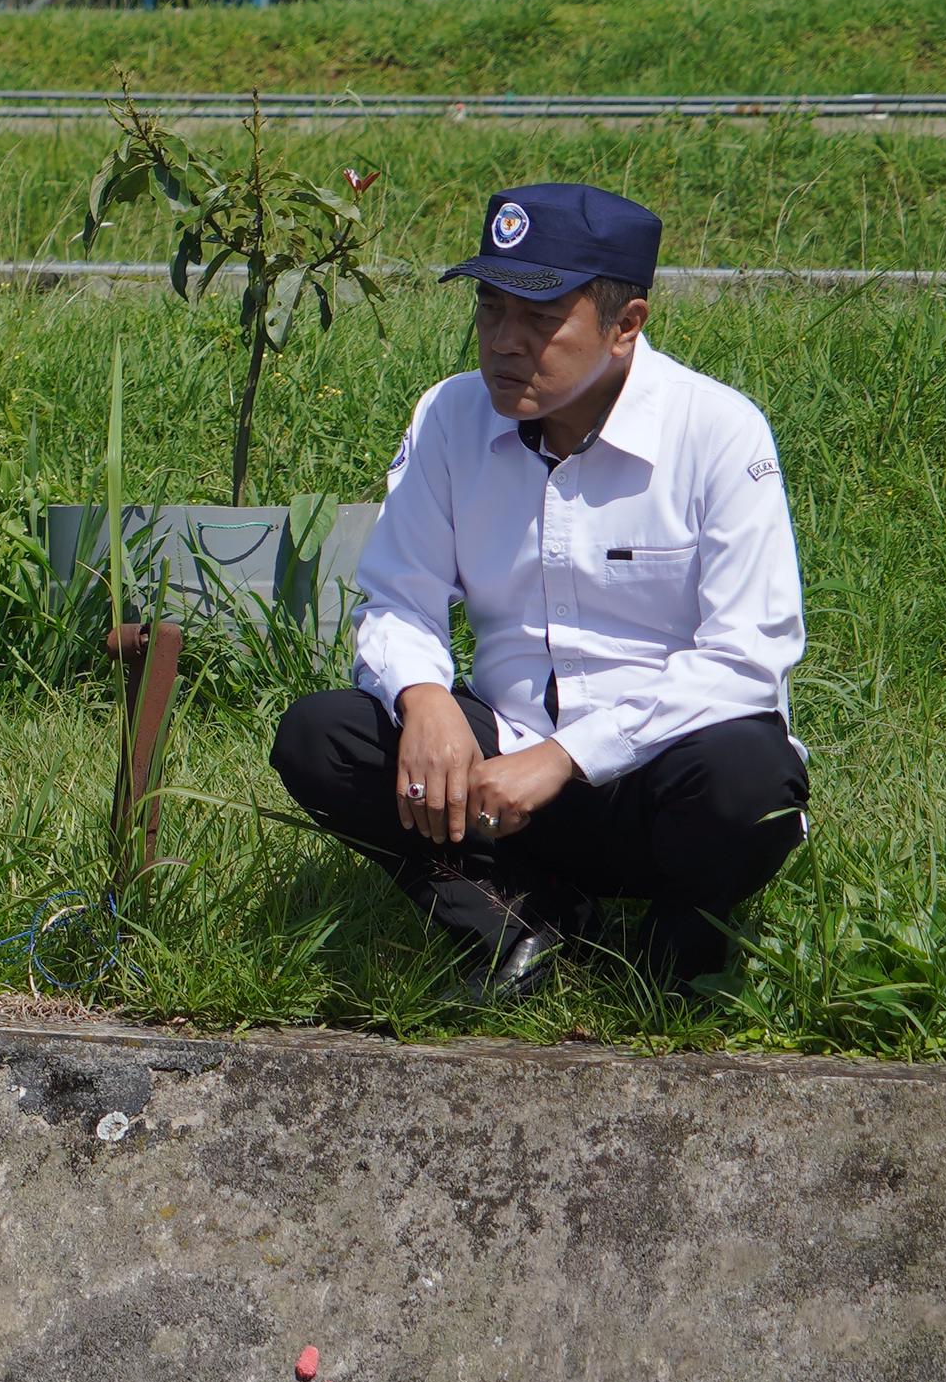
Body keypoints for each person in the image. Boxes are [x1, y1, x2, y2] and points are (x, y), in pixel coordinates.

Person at [271, 180, 808, 999]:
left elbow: (747, 659)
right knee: (325, 737)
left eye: (540, 319)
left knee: (751, 781)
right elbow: (397, 595)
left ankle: (679, 947)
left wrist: (567, 758)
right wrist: (425, 699)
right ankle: (516, 923)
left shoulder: (718, 431)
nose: (503, 343)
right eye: (490, 310)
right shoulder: (450, 418)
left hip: (657, 774)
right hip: (502, 781)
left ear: (626, 325)